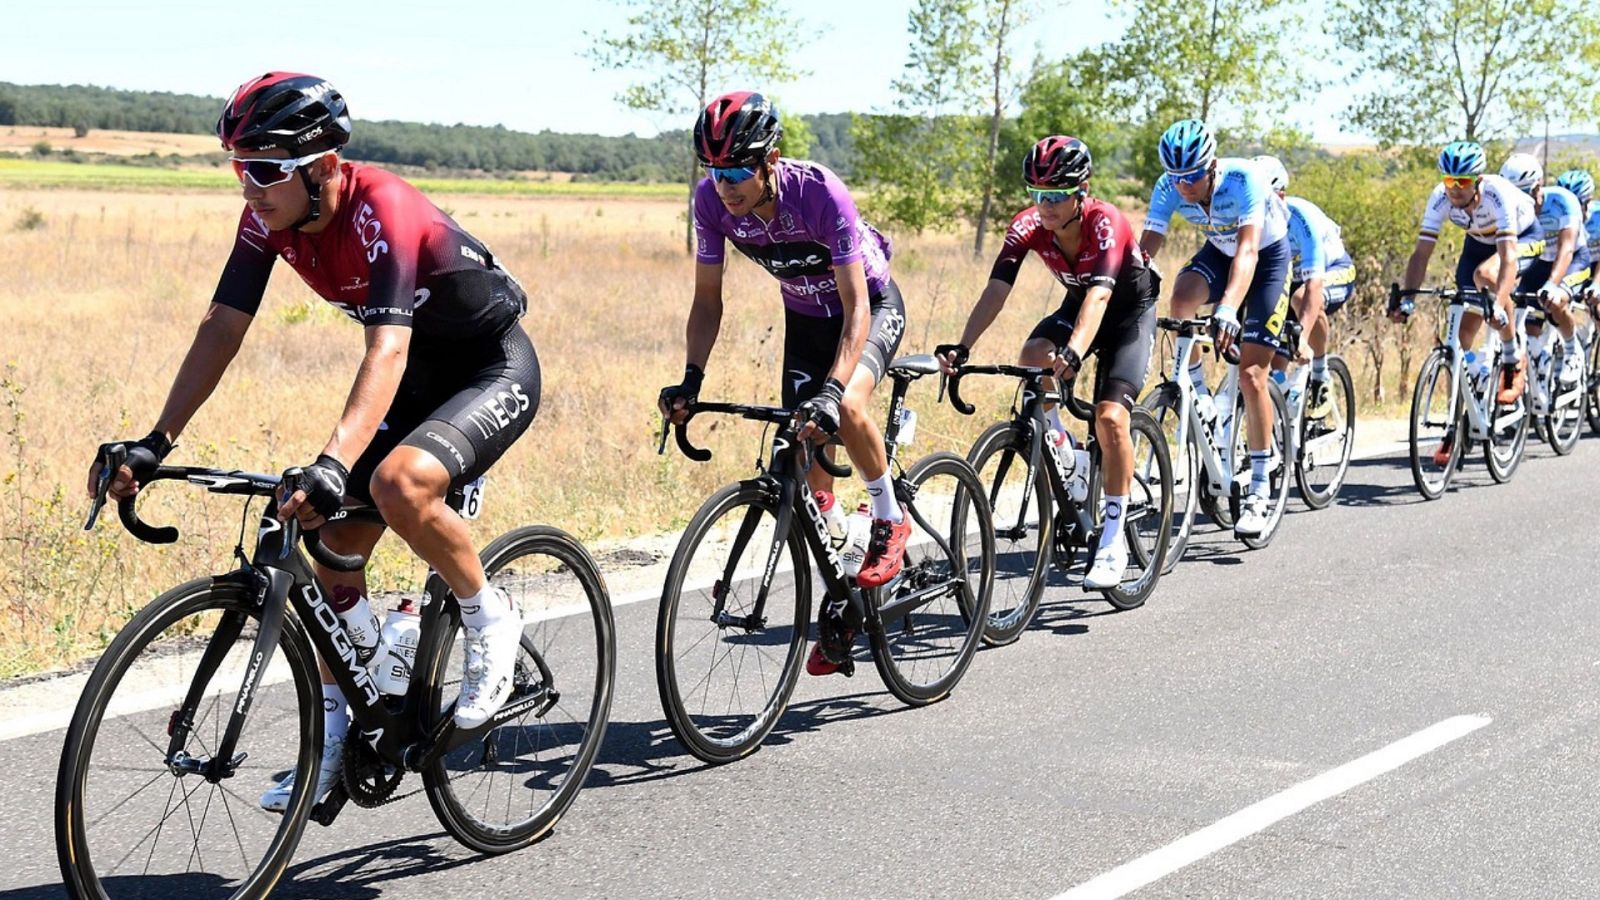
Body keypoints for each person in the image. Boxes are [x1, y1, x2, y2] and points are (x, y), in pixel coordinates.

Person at [87, 72, 540, 810]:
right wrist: (155, 441)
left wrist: (335, 461)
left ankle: (492, 619)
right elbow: (223, 326)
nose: (249, 187)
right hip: (417, 381)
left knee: (396, 486)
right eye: (238, 168)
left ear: (324, 166)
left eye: (265, 169)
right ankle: (337, 735)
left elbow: (385, 350)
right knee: (321, 539)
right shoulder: (266, 220)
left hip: (489, 368)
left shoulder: (382, 209)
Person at [657, 91, 908, 677]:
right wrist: (692, 378)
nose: (726, 186)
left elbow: (856, 308)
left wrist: (835, 385)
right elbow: (707, 301)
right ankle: (844, 601)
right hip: (803, 318)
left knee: (843, 406)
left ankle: (888, 515)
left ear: (772, 159)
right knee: (802, 460)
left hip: (868, 308)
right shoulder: (711, 203)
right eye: (716, 172)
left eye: (739, 170)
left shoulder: (819, 192)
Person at [937, 136, 1159, 587]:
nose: (1046, 206)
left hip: (1127, 313)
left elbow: (1101, 296)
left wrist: (1076, 351)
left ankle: (1113, 537)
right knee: (1033, 356)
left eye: (1056, 195)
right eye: (1037, 195)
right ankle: (1066, 453)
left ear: (1082, 190)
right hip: (1080, 304)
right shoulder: (1027, 226)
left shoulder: (1106, 222)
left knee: (1111, 418)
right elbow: (997, 289)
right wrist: (963, 345)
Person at [1139, 120, 1291, 538]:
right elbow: (1146, 249)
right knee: (1182, 297)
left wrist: (1227, 308)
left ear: (1212, 166)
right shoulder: (1168, 185)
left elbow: (1248, 250)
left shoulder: (1244, 179)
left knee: (1251, 374)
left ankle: (1260, 487)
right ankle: (1196, 392)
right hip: (1219, 250)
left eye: (1191, 176)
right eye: (1176, 177)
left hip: (1267, 258)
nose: (1183, 186)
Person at [1396, 141, 1542, 462]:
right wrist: (1407, 297)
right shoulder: (1439, 198)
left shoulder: (1497, 195)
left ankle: (1511, 356)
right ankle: (1455, 425)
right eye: (1450, 181)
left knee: (1487, 278)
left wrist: (1499, 304)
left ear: (1477, 180)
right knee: (1458, 343)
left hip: (1523, 239)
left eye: (1462, 182)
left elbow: (1507, 259)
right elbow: (1422, 253)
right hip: (1477, 244)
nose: (1455, 189)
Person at [1251, 155, 1356, 419]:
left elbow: (1313, 287)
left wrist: (1302, 337)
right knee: (1275, 366)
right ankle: (1285, 423)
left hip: (1332, 270)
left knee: (1303, 298)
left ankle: (1320, 372)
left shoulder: (1301, 219)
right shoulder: (1250, 222)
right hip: (1290, 280)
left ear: (1280, 196)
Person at [1499, 153, 1590, 387]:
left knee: (1556, 300)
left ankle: (1572, 350)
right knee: (1527, 320)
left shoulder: (1563, 200)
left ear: (1537, 187)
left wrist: (1552, 285)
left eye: (1522, 193)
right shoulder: (1513, 208)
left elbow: (1567, 248)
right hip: (1539, 263)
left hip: (1572, 261)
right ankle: (1537, 364)